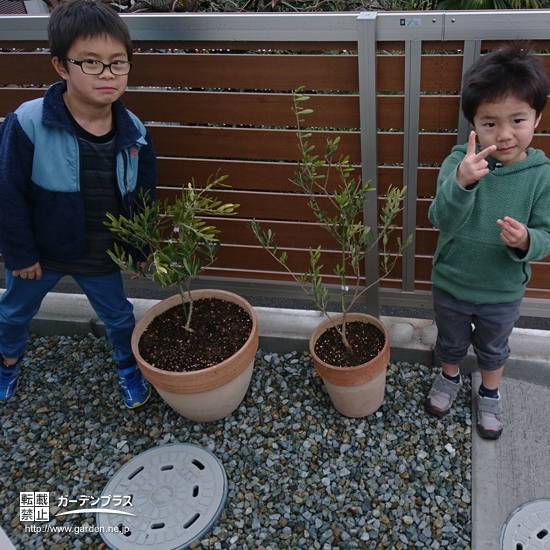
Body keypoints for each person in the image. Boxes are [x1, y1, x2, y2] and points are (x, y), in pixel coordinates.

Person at [0, 0, 157, 408]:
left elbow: (143, 196)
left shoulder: (135, 130)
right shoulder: (29, 122)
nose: (107, 75)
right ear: (60, 66)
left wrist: (139, 248)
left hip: (100, 253)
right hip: (40, 253)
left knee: (120, 317)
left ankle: (128, 366)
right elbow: (7, 191)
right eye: (91, 62)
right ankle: (7, 362)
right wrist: (19, 251)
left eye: (117, 63)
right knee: (15, 312)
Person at [425, 43, 550, 440]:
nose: (506, 134)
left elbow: (546, 236)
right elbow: (439, 218)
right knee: (450, 340)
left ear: (538, 118)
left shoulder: (541, 175)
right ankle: (450, 378)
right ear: (473, 124)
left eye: (517, 120)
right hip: (452, 280)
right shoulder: (460, 162)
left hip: (503, 289)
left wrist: (526, 239)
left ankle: (490, 392)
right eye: (490, 123)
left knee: (494, 348)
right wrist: (462, 181)